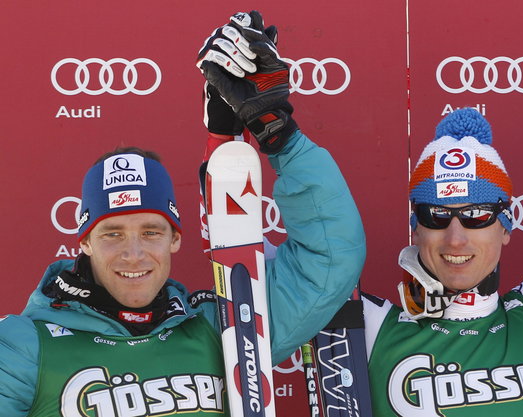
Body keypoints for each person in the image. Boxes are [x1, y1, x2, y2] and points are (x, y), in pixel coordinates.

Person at [0, 11, 366, 416]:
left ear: (176, 237)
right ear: (84, 240)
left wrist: (279, 136)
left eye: (152, 232)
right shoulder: (22, 345)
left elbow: (330, 258)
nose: (134, 253)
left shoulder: (226, 326)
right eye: (113, 233)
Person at [362, 108, 523, 416]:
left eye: (476, 215)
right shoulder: (372, 328)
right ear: (416, 229)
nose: (456, 238)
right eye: (437, 215)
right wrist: (285, 142)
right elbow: (304, 269)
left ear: (506, 227)